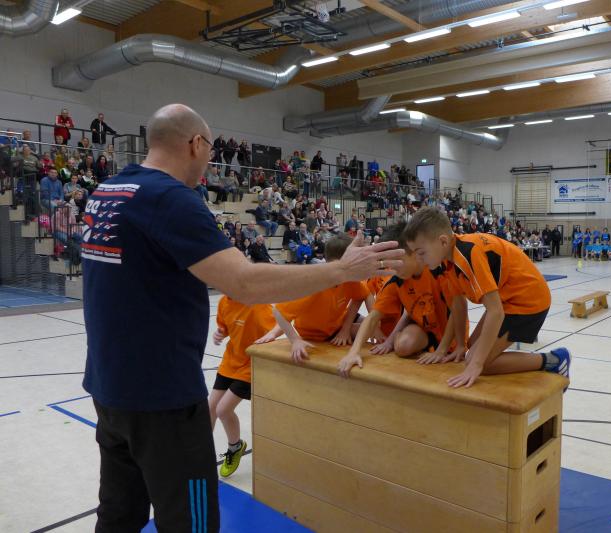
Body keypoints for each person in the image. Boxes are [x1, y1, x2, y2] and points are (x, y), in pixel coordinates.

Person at [81, 103, 403, 533]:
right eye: (210, 150)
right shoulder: (171, 199)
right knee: (193, 523)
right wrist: (341, 271)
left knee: (118, 515)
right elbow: (245, 283)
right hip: (162, 399)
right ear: (196, 144)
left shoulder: (108, 191)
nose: (210, 160)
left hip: (108, 389)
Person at [404, 207, 571, 389]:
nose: (419, 259)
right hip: (506, 300)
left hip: (528, 300)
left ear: (443, 241)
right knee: (471, 347)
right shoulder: (446, 259)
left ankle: (554, 359)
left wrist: (477, 364)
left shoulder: (468, 254)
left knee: (479, 363)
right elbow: (458, 304)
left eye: (421, 253)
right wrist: (450, 347)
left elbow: (495, 312)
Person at [338, 223, 467, 376]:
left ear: (415, 252)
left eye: (397, 261)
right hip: (425, 333)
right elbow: (372, 317)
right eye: (389, 264)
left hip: (452, 336)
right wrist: (353, 352)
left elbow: (458, 310)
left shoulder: (439, 270)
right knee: (403, 347)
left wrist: (442, 349)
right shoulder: (397, 280)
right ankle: (413, 343)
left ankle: (434, 347)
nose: (393, 268)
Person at [257, 235, 370, 352]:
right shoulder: (315, 285)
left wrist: (345, 328)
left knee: (373, 325)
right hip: (320, 333)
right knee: (369, 329)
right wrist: (295, 340)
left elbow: (360, 297)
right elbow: (279, 312)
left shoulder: (349, 278)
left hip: (338, 319)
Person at [210, 295, 275, 478]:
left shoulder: (258, 306)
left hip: (250, 364)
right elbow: (225, 326)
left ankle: (235, 447)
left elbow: (276, 330)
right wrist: (220, 333)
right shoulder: (224, 302)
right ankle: (202, 455)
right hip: (231, 361)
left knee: (223, 410)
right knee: (210, 408)